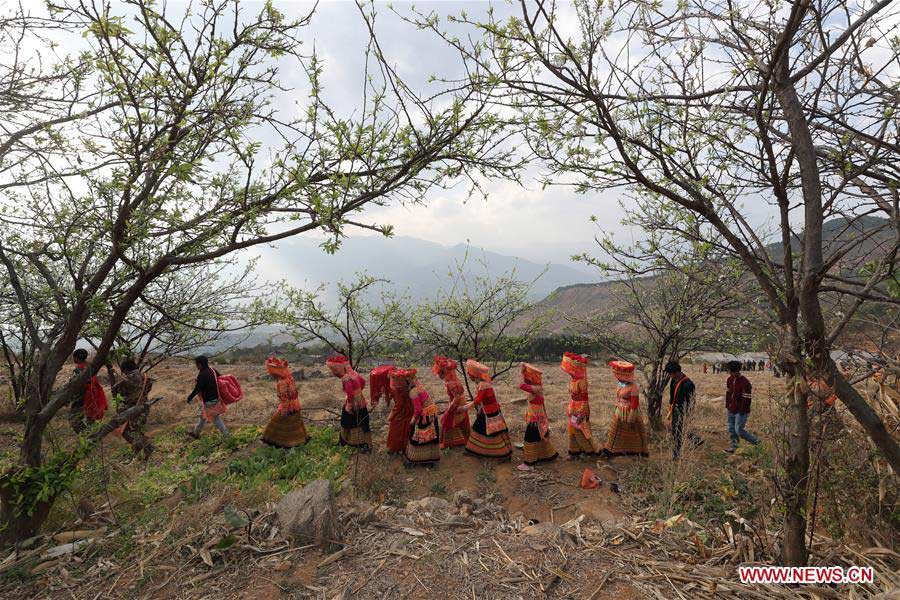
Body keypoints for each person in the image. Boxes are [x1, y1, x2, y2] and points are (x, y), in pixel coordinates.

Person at [463, 359, 512, 459]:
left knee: (489, 431)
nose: (469, 376)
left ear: (476, 375)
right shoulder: (484, 383)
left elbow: (477, 401)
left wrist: (464, 408)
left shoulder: (483, 385)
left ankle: (501, 454)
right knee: (489, 430)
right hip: (490, 410)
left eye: (470, 374)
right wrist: (480, 410)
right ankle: (485, 451)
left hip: (490, 412)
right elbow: (483, 401)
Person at [261, 356, 309, 448]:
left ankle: (284, 444)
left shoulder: (282, 382)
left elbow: (285, 398)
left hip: (288, 407)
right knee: (294, 425)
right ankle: (297, 442)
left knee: (278, 424)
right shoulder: (290, 378)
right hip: (295, 405)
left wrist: (284, 411)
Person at [111, 358, 154, 459]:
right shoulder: (146, 377)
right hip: (144, 407)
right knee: (136, 430)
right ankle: (140, 450)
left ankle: (145, 448)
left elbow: (117, 393)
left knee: (127, 431)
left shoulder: (125, 380)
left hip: (132, 410)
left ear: (125, 369)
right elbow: (147, 390)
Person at [604, 360, 649, 457]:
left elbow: (634, 405)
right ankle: (613, 450)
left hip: (628, 413)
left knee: (631, 432)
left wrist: (631, 419)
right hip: (620, 411)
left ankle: (634, 452)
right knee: (616, 431)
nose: (619, 379)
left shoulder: (633, 387)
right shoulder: (621, 385)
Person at [326, 355, 370, 450]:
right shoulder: (354, 374)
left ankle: (347, 442)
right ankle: (364, 443)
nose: (333, 372)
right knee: (362, 421)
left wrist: (349, 406)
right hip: (361, 401)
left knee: (347, 421)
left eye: (333, 369)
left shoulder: (346, 378)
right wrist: (358, 392)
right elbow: (363, 381)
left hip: (353, 403)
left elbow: (349, 393)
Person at [561, 352, 601, 457]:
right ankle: (575, 451)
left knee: (581, 428)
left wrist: (581, 412)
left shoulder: (582, 381)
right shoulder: (573, 379)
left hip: (580, 407)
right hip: (573, 405)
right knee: (572, 428)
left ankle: (589, 451)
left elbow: (584, 399)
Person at [519, 363, 557, 469]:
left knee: (530, 439)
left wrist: (521, 372)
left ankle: (529, 463)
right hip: (536, 417)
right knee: (539, 438)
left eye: (528, 375)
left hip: (536, 419)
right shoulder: (536, 387)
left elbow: (521, 385)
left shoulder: (536, 388)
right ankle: (548, 456)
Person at [369, 365, 415, 453]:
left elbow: (399, 405)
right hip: (409, 410)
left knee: (396, 430)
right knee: (406, 429)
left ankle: (397, 448)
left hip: (401, 413)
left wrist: (391, 416)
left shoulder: (396, 388)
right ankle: (405, 447)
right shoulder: (403, 384)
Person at [665, 360, 703, 459]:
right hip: (674, 409)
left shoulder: (688, 384)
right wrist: (670, 409)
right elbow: (672, 395)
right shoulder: (673, 380)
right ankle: (696, 440)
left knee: (677, 432)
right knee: (677, 429)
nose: (669, 376)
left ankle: (677, 453)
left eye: (670, 374)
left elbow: (692, 401)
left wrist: (689, 414)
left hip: (683, 410)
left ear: (677, 372)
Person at [186, 355, 230, 439]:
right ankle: (196, 433)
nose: (196, 366)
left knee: (215, 418)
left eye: (196, 364)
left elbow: (198, 388)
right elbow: (220, 378)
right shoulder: (212, 370)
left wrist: (190, 397)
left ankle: (227, 436)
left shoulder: (202, 374)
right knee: (203, 416)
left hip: (210, 401)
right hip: (216, 398)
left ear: (200, 365)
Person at [404, 370, 441, 467]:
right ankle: (430, 460)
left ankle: (415, 460)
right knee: (431, 437)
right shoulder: (420, 387)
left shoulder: (413, 392)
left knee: (417, 437)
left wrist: (413, 420)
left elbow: (418, 410)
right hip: (432, 414)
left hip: (425, 416)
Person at [433, 356, 470, 449]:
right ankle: (463, 441)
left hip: (457, 404)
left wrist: (450, 408)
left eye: (440, 372)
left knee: (447, 422)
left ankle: (449, 444)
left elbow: (457, 397)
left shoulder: (450, 383)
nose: (439, 375)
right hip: (462, 402)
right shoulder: (454, 380)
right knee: (462, 422)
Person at [69, 348, 108, 434]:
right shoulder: (90, 367)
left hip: (83, 397)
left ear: (76, 358)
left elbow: (74, 385)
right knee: (90, 419)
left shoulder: (78, 369)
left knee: (74, 419)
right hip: (93, 395)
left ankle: (87, 437)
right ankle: (92, 437)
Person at [724, 360, 759, 453]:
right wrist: (728, 405)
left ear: (737, 371)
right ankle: (734, 446)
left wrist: (741, 411)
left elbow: (747, 400)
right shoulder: (729, 380)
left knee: (739, 430)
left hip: (741, 411)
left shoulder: (745, 382)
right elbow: (728, 393)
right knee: (731, 429)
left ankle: (757, 442)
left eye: (731, 372)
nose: (729, 373)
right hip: (731, 409)